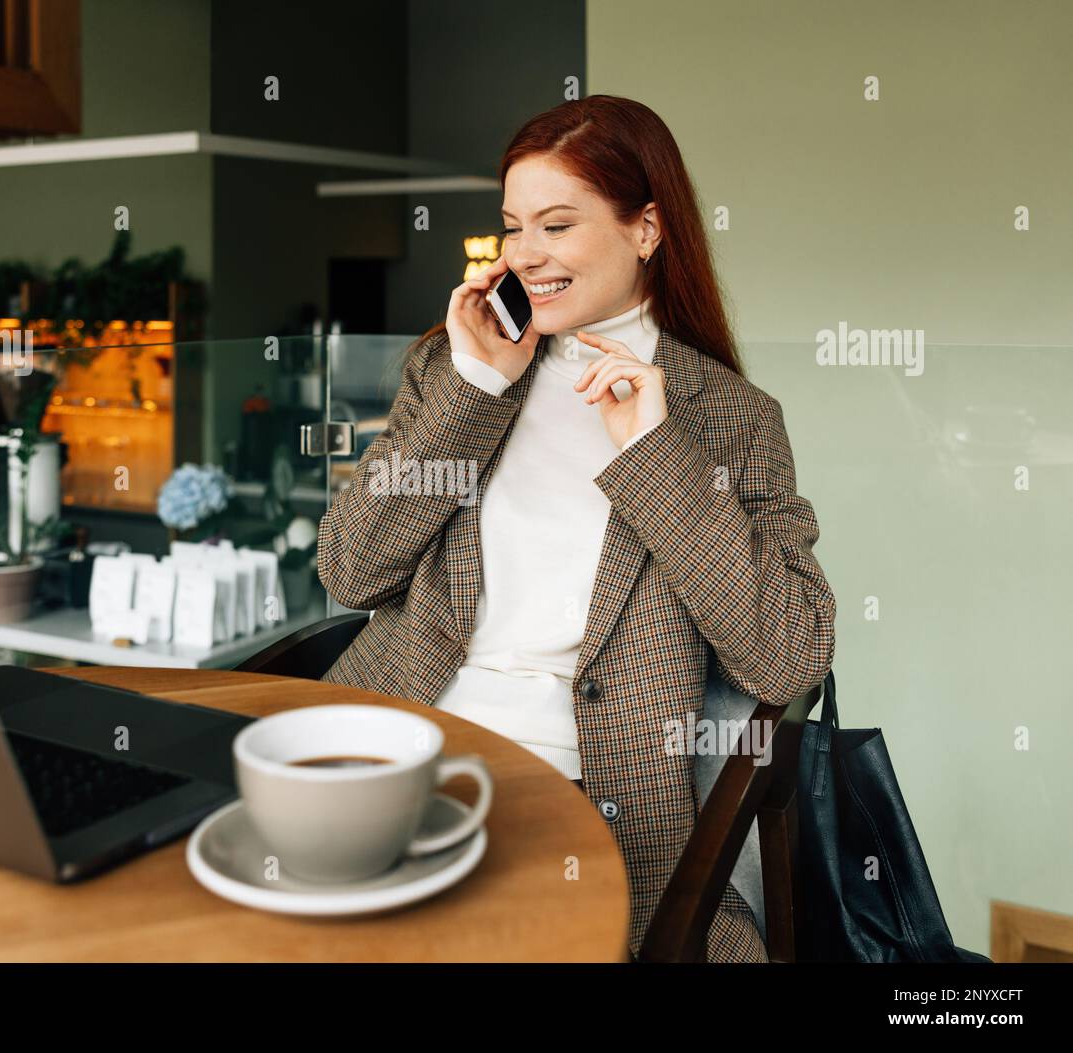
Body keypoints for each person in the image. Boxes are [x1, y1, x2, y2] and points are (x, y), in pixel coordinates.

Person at [316, 94, 836, 963]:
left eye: (558, 225)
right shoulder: (457, 367)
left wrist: (656, 455)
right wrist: (474, 389)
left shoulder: (731, 419)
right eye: (514, 226)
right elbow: (350, 569)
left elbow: (787, 656)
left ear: (646, 229)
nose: (526, 256)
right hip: (392, 744)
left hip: (582, 799)